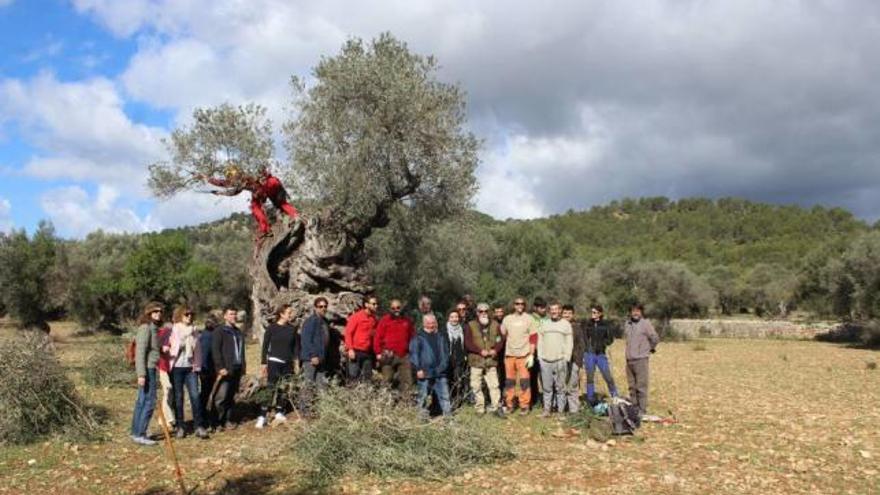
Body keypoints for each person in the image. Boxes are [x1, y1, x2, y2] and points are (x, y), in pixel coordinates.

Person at [206, 166, 300, 239]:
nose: (230, 178)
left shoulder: (241, 178)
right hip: (273, 183)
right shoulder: (247, 174)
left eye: (230, 176)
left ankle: (266, 230)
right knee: (281, 204)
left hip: (265, 188)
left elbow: (227, 186)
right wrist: (219, 192)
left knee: (255, 206)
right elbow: (233, 190)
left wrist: (209, 180)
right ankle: (295, 216)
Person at [257, 303, 298, 429]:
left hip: (287, 363)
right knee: (270, 388)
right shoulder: (272, 328)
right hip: (274, 362)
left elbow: (295, 348)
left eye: (291, 312)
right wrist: (264, 363)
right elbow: (265, 346)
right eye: (289, 313)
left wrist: (296, 363)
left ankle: (279, 412)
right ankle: (262, 416)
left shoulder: (292, 329)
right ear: (281, 314)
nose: (291, 315)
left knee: (284, 388)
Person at [168, 305, 207, 438]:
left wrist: (198, 367)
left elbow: (198, 351)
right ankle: (180, 426)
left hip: (191, 368)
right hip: (177, 367)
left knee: (195, 396)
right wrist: (182, 343)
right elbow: (171, 349)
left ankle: (199, 426)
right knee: (178, 398)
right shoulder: (174, 330)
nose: (189, 317)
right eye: (186, 314)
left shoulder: (195, 331)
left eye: (191, 315)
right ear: (180, 315)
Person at [464, 303, 506, 418]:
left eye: (486, 311)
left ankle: (496, 408)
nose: (483, 313)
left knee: (494, 385)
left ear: (489, 312)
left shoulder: (495, 325)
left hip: (491, 361)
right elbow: (468, 343)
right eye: (481, 311)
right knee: (476, 386)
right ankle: (480, 408)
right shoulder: (470, 325)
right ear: (477, 313)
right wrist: (479, 351)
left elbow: (500, 341)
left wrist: (495, 350)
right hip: (476, 361)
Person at [131, 302, 163, 446]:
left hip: (150, 368)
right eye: (155, 312)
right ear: (148, 314)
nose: (158, 314)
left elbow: (152, 349)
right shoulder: (145, 328)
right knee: (148, 401)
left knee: (142, 401)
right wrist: (141, 374)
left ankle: (136, 432)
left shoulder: (154, 328)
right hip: (147, 370)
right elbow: (140, 352)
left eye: (160, 312)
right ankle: (141, 434)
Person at [501, 297, 539, 415]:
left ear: (525, 305)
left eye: (522, 303)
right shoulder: (507, 319)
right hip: (510, 355)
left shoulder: (529, 319)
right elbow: (503, 335)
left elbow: (533, 337)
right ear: (514, 305)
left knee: (524, 381)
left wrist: (531, 354)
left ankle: (524, 405)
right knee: (509, 382)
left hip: (524, 355)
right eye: (517, 303)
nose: (520, 305)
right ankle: (510, 404)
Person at [409, 314, 452, 417]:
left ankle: (448, 418)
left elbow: (446, 354)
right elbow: (414, 355)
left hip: (440, 372)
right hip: (424, 372)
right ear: (424, 323)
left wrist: (443, 367)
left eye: (433, 322)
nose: (431, 325)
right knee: (422, 397)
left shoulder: (441, 336)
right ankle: (421, 418)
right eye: (429, 323)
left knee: (445, 397)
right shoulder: (418, 338)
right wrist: (418, 369)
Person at [213, 306, 247, 430]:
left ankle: (228, 420)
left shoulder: (238, 332)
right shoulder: (220, 331)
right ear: (225, 316)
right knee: (220, 397)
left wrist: (243, 366)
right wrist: (220, 367)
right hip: (225, 369)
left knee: (231, 396)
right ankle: (216, 421)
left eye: (235, 314)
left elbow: (242, 351)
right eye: (231, 314)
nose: (234, 316)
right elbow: (216, 351)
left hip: (236, 368)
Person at [537, 302, 573, 417]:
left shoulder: (566, 324)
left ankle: (560, 411)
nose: (554, 312)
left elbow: (569, 342)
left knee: (560, 387)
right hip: (546, 360)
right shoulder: (544, 324)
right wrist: (540, 357)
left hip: (560, 360)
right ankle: (547, 410)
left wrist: (566, 357)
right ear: (549, 311)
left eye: (556, 309)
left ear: (560, 311)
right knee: (547, 387)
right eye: (552, 310)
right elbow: (540, 341)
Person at [374, 299, 415, 395]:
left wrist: (412, 351)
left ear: (401, 308)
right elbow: (377, 337)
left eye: (398, 307)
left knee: (407, 381)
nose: (396, 310)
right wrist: (378, 353)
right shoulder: (384, 320)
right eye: (393, 308)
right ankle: (384, 403)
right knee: (387, 380)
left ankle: (405, 404)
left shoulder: (407, 321)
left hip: (404, 355)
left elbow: (413, 337)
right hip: (388, 354)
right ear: (389, 309)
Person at [624, 303, 659, 416]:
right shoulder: (627, 324)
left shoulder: (646, 324)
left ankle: (642, 410)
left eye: (638, 311)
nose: (635, 313)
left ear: (641, 312)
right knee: (632, 387)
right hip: (629, 360)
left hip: (641, 359)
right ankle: (634, 409)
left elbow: (655, 338)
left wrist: (649, 349)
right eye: (633, 311)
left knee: (641, 387)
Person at [300, 297, 331, 415]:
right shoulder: (311, 321)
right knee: (308, 384)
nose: (323, 309)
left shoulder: (324, 321)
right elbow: (306, 340)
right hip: (311, 359)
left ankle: (323, 410)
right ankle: (305, 411)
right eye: (320, 306)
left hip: (321, 359)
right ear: (315, 308)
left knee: (321, 385)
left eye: (325, 306)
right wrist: (313, 355)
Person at [584, 304, 619, 406]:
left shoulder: (605, 325)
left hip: (601, 354)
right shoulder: (588, 324)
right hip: (590, 354)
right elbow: (585, 337)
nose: (592, 314)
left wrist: (604, 343)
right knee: (590, 377)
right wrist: (587, 348)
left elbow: (610, 339)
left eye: (595, 312)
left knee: (607, 376)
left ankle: (615, 396)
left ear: (600, 313)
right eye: (592, 312)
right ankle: (590, 399)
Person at [344, 295, 378, 383]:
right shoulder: (356, 317)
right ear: (366, 304)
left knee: (367, 378)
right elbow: (348, 333)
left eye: (376, 304)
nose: (376, 306)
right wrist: (350, 349)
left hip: (367, 353)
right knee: (353, 378)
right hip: (355, 352)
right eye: (373, 304)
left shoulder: (374, 319)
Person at [197, 313, 219, 432]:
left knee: (206, 394)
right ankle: (203, 417)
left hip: (210, 369)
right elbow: (205, 354)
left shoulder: (210, 334)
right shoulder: (207, 336)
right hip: (207, 370)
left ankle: (205, 416)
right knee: (206, 394)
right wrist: (203, 370)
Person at [562, 305, 584, 414]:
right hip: (561, 361)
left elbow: (581, 345)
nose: (566, 315)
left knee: (573, 384)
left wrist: (579, 362)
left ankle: (574, 409)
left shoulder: (577, 327)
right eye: (564, 313)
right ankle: (561, 407)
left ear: (573, 314)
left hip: (574, 360)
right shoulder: (559, 326)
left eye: (569, 313)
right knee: (561, 384)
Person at [445, 310, 469, 409]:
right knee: (448, 381)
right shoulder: (444, 330)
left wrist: (465, 355)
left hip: (460, 359)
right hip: (448, 360)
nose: (454, 319)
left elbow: (465, 344)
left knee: (458, 381)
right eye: (452, 317)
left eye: (456, 317)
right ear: (448, 318)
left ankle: (457, 401)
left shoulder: (462, 329)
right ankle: (448, 400)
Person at [157, 323, 176, 429]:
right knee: (168, 390)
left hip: (172, 367)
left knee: (170, 393)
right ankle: (167, 420)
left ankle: (163, 418)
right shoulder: (163, 333)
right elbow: (157, 347)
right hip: (162, 367)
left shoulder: (173, 334)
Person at [492, 302, 507, 394]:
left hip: (505, 351)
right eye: (497, 312)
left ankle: (504, 392)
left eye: (501, 311)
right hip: (495, 351)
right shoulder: (492, 323)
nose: (499, 314)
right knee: (495, 375)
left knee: (504, 374)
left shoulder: (507, 321)